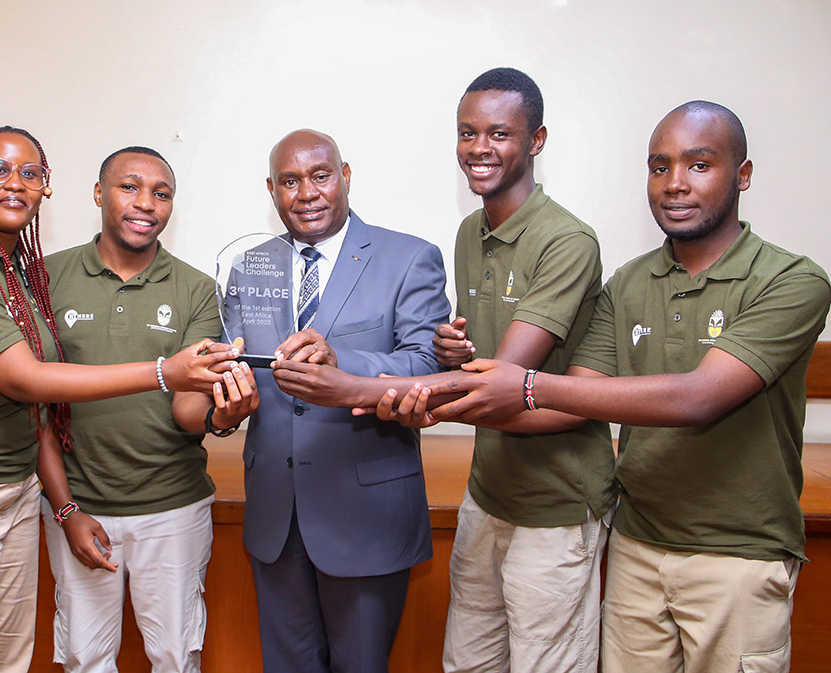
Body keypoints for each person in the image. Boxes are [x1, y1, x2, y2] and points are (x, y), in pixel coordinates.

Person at [391, 101, 831, 673]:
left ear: (742, 176)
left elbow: (699, 397)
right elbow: (583, 388)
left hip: (738, 555)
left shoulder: (793, 280)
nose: (675, 184)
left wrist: (522, 386)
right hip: (637, 540)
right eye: (659, 166)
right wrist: (472, 386)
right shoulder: (629, 282)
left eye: (699, 166)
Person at [0, 127, 235, 673]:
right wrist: (162, 372)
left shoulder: (14, 269)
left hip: (11, 491)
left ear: (45, 187)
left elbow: (39, 411)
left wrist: (222, 409)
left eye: (30, 173)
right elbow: (28, 383)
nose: (15, 184)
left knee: (11, 658)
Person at [273, 69, 616, 673]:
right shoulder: (470, 231)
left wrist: (348, 386)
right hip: (489, 491)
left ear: (536, 140)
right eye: (467, 132)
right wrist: (452, 348)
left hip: (558, 502)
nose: (479, 147)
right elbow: (473, 357)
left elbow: (500, 385)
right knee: (467, 663)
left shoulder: (567, 241)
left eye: (499, 133)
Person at [37, 146, 258, 673]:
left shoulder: (197, 288)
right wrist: (66, 510)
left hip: (172, 508)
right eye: (129, 187)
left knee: (176, 657)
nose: (147, 203)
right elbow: (35, 404)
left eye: (162, 193)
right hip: (79, 507)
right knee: (84, 658)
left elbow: (188, 409)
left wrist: (222, 416)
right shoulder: (46, 277)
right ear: (98, 194)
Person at [244, 129, 450, 673]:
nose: (306, 193)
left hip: (365, 515)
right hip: (274, 515)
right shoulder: (248, 269)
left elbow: (429, 366)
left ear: (345, 176)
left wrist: (344, 363)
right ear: (272, 190)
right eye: (290, 181)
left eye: (320, 175)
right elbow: (243, 374)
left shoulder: (409, 257)